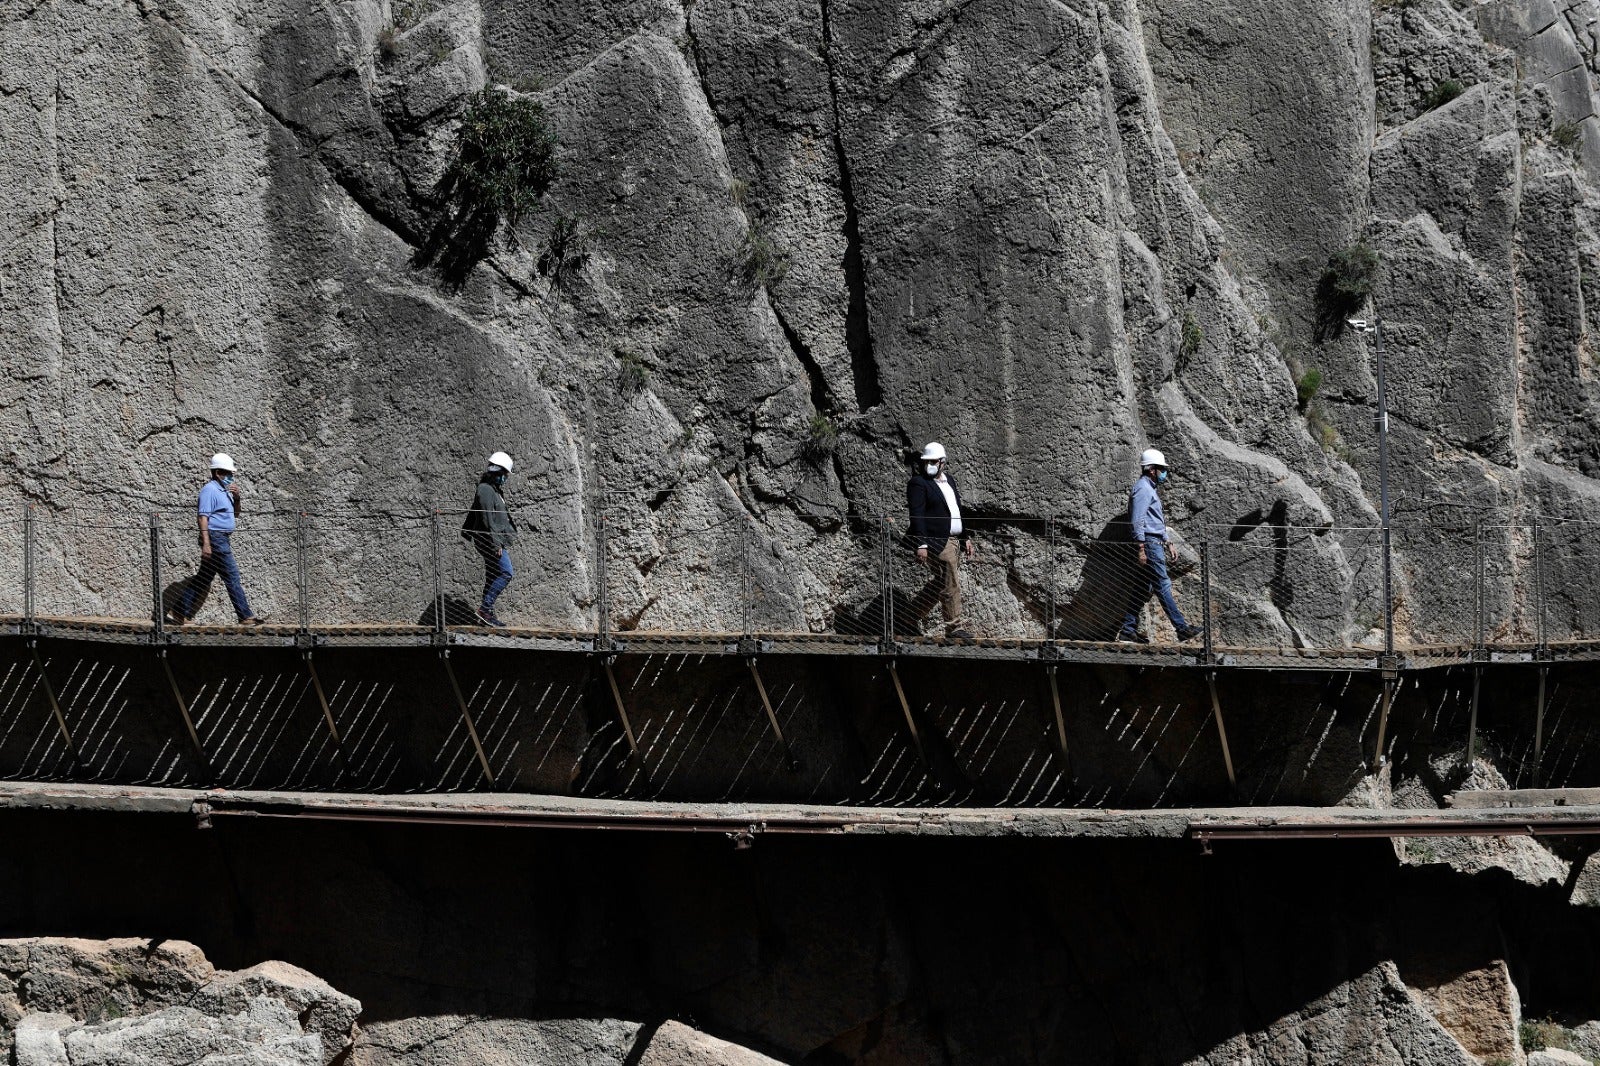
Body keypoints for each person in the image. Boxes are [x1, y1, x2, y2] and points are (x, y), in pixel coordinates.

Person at [169, 453, 265, 626]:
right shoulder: (210, 490)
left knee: (204, 578)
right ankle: (245, 616)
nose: (231, 476)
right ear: (218, 473)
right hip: (215, 537)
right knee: (232, 575)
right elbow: (203, 517)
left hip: (222, 538)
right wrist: (206, 543)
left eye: (231, 473)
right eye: (228, 473)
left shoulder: (225, 491)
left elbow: (236, 514)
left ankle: (179, 611)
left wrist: (237, 498)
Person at [1119, 448, 1200, 644]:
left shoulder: (1149, 488)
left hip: (1154, 542)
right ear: (1151, 469)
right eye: (1162, 469)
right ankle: (1181, 628)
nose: (1165, 472)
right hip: (1149, 543)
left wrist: (1167, 541)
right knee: (1162, 584)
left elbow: (1154, 520)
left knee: (1142, 587)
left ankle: (1128, 630)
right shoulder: (1143, 489)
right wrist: (1141, 548)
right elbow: (1138, 520)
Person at [906, 442, 976, 638]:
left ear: (943, 462)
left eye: (933, 461)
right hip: (937, 540)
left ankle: (909, 617)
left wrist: (965, 537)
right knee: (951, 582)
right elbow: (917, 514)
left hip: (954, 540)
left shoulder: (949, 481)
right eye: (926, 461)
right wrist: (921, 543)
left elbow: (956, 510)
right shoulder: (918, 483)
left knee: (942, 582)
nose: (929, 465)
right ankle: (954, 628)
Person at [461, 451, 517, 627]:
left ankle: (486, 614)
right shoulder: (485, 489)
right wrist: (496, 543)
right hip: (489, 540)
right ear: (497, 471)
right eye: (505, 474)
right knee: (506, 572)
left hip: (494, 539)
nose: (505, 478)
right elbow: (487, 519)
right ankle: (484, 609)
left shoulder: (494, 490)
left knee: (493, 575)